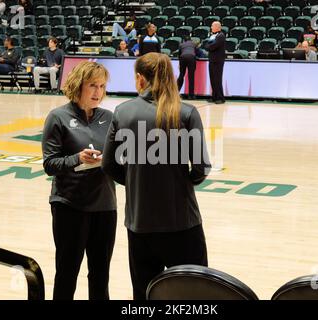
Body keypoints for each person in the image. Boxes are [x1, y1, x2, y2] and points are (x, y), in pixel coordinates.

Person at [102, 52, 211, 300]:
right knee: (194, 295)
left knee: (144, 295)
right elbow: (201, 167)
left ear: (140, 79)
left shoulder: (122, 111)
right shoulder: (186, 112)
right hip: (182, 223)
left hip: (140, 224)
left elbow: (108, 164)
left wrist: (133, 180)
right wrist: (182, 182)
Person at [42, 61, 117, 300]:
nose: (98, 92)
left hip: (105, 207)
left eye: (102, 86)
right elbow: (50, 164)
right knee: (66, 274)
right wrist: (77, 158)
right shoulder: (58, 117)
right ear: (78, 85)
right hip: (70, 206)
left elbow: (122, 156)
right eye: (92, 85)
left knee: (100, 275)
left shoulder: (110, 118)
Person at [205, 21, 226, 104]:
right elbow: (206, 45)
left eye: (212, 26)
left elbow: (212, 46)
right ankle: (214, 96)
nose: (211, 27)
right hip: (212, 60)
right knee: (212, 79)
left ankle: (220, 98)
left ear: (218, 27)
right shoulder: (213, 36)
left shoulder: (221, 36)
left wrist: (208, 46)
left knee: (217, 79)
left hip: (218, 61)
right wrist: (208, 46)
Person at [177, 36, 198, 100]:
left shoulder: (181, 44)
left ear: (184, 40)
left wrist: (179, 63)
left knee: (181, 75)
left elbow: (179, 54)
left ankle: (176, 93)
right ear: (190, 40)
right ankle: (191, 95)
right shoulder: (193, 44)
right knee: (191, 77)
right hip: (191, 58)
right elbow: (197, 52)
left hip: (183, 57)